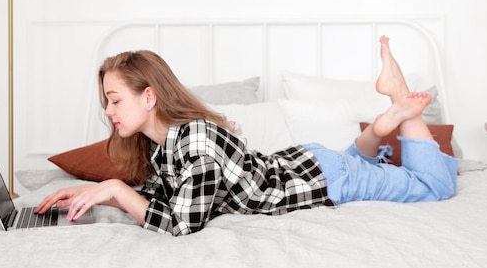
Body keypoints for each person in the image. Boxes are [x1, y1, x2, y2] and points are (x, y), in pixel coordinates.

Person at [36, 36, 458, 236]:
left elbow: (182, 223)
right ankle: (382, 126)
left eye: (114, 100)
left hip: (327, 177)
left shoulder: (195, 140)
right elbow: (166, 197)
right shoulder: (163, 145)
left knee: (435, 185)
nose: (107, 112)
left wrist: (115, 188)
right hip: (312, 166)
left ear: (148, 97)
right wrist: (98, 193)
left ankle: (399, 97)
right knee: (352, 165)